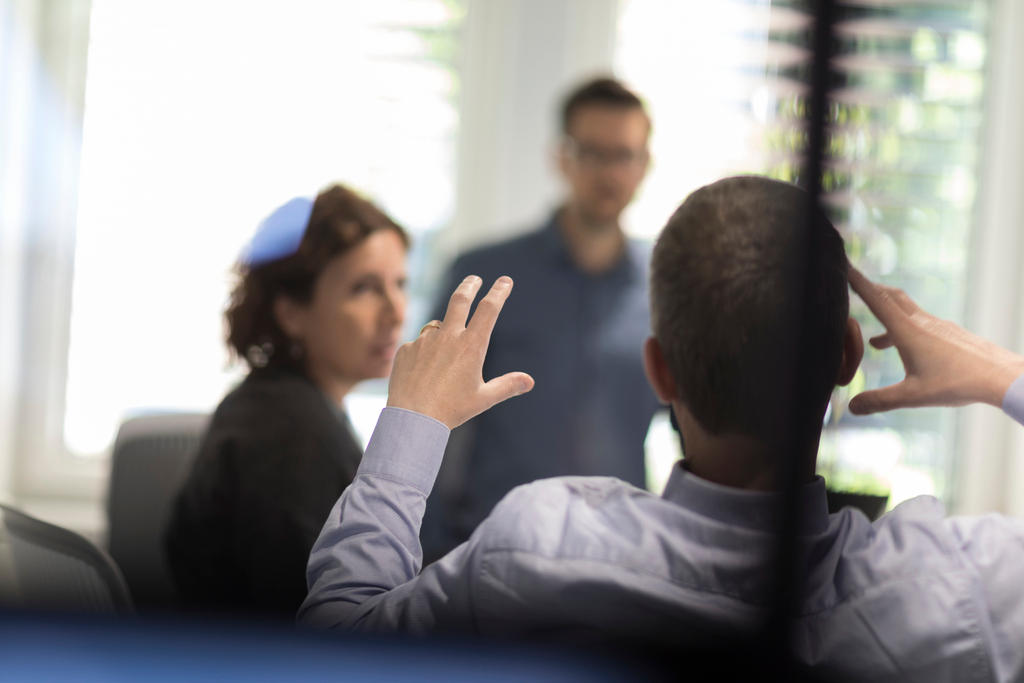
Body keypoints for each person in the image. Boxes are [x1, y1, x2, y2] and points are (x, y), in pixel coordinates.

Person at [300, 176, 1024, 681]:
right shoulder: (962, 586)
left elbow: (330, 646)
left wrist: (412, 424)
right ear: (847, 357)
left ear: (659, 372)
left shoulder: (539, 547)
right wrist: (1001, 373)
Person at [421, 76, 661, 558]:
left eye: (625, 155)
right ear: (562, 157)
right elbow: (428, 420)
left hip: (617, 563)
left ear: (645, 164)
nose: (609, 173)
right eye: (593, 152)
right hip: (486, 557)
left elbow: (703, 424)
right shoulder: (484, 275)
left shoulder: (667, 288)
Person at [165, 184, 408, 618]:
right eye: (365, 288)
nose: (396, 313)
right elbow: (314, 626)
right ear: (292, 312)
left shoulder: (286, 405)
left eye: (400, 284)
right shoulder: (288, 433)